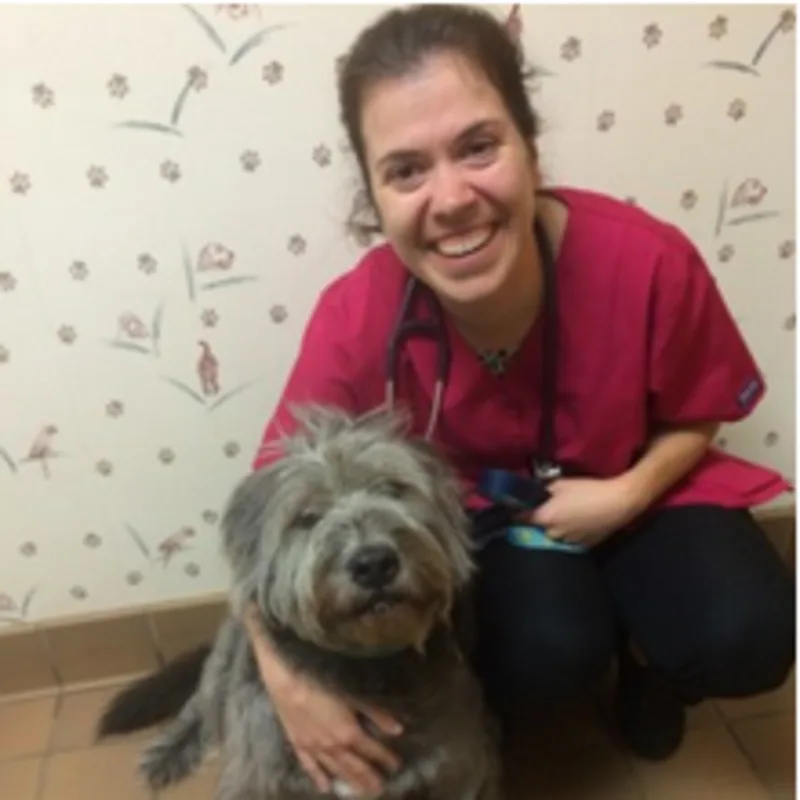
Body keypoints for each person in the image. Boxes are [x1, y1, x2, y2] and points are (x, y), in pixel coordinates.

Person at [235, 3, 795, 796]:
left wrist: (625, 492)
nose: (452, 197)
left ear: (530, 148)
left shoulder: (647, 261)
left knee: (750, 633)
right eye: (406, 170)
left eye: (477, 147)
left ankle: (654, 671)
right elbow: (263, 516)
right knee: (540, 653)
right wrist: (289, 683)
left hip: (645, 493)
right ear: (374, 194)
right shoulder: (357, 318)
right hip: (504, 535)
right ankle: (568, 662)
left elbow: (699, 407)